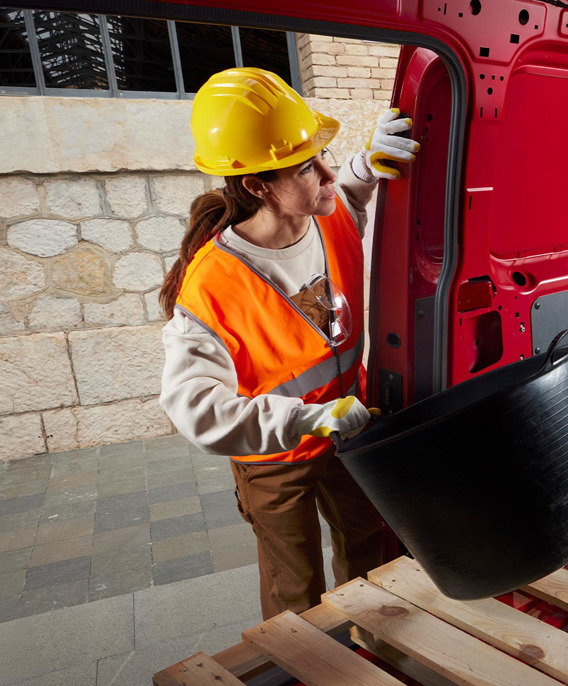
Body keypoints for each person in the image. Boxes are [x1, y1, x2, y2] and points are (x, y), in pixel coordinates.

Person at [157, 67, 419, 619]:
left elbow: (344, 192)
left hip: (349, 431)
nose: (326, 175)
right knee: (294, 590)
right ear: (257, 186)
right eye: (307, 166)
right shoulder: (213, 282)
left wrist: (368, 163)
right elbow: (194, 409)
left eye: (324, 157)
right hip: (274, 455)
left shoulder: (328, 216)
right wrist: (306, 419)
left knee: (369, 555)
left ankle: (369, 655)